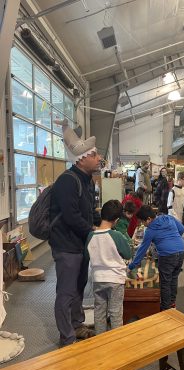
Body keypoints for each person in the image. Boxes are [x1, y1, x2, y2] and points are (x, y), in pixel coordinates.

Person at [49, 120, 101, 346]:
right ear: (82, 158)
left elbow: (88, 212)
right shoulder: (67, 181)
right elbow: (71, 217)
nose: (99, 158)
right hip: (66, 246)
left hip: (81, 245)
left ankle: (78, 324)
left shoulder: (87, 180)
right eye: (95, 155)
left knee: (79, 286)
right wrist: (92, 230)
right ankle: (66, 336)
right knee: (66, 291)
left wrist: (103, 223)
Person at [86, 200, 131, 334]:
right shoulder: (116, 235)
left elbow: (86, 255)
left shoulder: (90, 236)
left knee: (99, 311)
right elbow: (128, 254)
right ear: (116, 220)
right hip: (115, 280)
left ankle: (100, 342)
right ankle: (115, 344)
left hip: (98, 279)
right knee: (115, 312)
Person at [128, 205, 184, 310]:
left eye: (143, 222)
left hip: (167, 255)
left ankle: (165, 309)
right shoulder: (168, 217)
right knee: (173, 278)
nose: (143, 225)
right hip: (181, 250)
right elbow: (182, 229)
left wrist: (132, 266)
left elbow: (142, 250)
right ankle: (172, 303)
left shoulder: (150, 230)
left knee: (165, 282)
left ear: (149, 219)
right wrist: (173, 237)